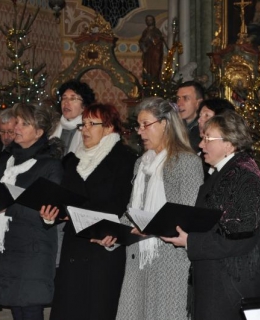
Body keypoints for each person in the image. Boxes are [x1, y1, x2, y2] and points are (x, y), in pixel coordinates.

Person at [163, 111, 260, 320]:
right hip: (223, 283)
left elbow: (240, 238)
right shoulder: (227, 171)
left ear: (230, 143)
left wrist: (190, 241)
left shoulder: (244, 177)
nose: (200, 144)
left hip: (234, 287)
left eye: (208, 138)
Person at [98, 97, 203, 320]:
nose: (140, 131)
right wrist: (112, 234)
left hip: (170, 260)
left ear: (165, 124)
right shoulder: (142, 163)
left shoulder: (186, 162)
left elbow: (187, 215)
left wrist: (153, 228)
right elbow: (132, 212)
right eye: (138, 125)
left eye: (146, 124)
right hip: (138, 258)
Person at [40, 103, 137, 320]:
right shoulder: (71, 160)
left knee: (98, 310)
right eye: (82, 124)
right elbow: (61, 200)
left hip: (104, 246)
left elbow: (124, 204)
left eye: (91, 124)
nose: (84, 129)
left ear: (109, 127)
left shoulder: (126, 159)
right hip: (74, 246)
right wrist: (50, 216)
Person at [0, 103, 64, 320]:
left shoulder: (50, 165)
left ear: (39, 132)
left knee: (29, 308)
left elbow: (50, 210)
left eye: (24, 123)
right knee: (15, 308)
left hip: (33, 247)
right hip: (6, 245)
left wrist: (8, 207)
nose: (16, 127)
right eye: (16, 122)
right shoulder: (5, 160)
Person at [50, 79, 95, 267]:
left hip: (73, 198)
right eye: (64, 98)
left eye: (73, 98)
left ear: (84, 104)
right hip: (51, 195)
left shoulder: (90, 132)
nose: (66, 103)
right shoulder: (51, 129)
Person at [176, 81, 204, 151]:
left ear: (198, 103)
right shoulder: (174, 126)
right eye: (178, 98)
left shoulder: (204, 130)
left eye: (186, 98)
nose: (179, 104)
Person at [139, 15, 164, 80]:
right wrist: (144, 47)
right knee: (147, 68)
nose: (149, 21)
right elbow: (141, 41)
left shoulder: (156, 31)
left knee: (156, 67)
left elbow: (159, 41)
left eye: (150, 20)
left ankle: (155, 79)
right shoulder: (145, 31)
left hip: (155, 53)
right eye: (147, 20)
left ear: (153, 21)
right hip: (147, 54)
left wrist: (153, 40)